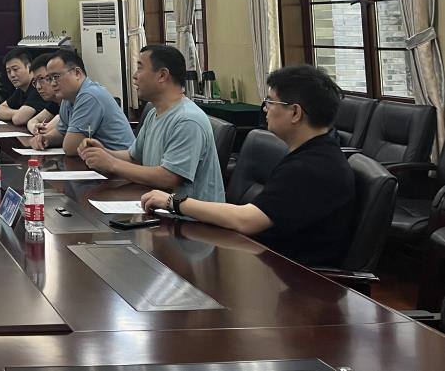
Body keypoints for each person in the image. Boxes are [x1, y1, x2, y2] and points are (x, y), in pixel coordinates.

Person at [140, 64, 356, 267]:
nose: (265, 109)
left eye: (270, 102)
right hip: (265, 260)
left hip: (296, 276)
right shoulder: (316, 153)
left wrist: (172, 201)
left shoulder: (311, 168)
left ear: (295, 113)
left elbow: (247, 220)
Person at [79, 44, 224, 202]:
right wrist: (103, 152)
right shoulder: (154, 113)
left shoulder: (187, 120)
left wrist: (111, 163)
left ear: (162, 75)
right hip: (157, 204)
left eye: (140, 68)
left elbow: (169, 177)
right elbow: (134, 157)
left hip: (190, 214)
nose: (135, 76)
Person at [28, 48, 135, 154]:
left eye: (56, 77)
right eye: (49, 78)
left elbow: (70, 148)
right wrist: (46, 139)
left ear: (77, 73)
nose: (52, 83)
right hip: (99, 160)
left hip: (121, 160)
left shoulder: (89, 96)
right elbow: (61, 133)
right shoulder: (68, 98)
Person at [0, 48, 46, 125]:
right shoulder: (22, 89)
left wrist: (20, 114)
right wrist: (19, 112)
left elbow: (19, 119)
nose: (12, 75)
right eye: (8, 71)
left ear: (29, 67)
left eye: (15, 69)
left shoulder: (38, 87)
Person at [25, 52, 61, 133]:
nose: (38, 87)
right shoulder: (55, 102)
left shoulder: (69, 101)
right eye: (35, 82)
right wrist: (35, 127)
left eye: (41, 79)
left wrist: (40, 129)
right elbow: (32, 121)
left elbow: (44, 131)